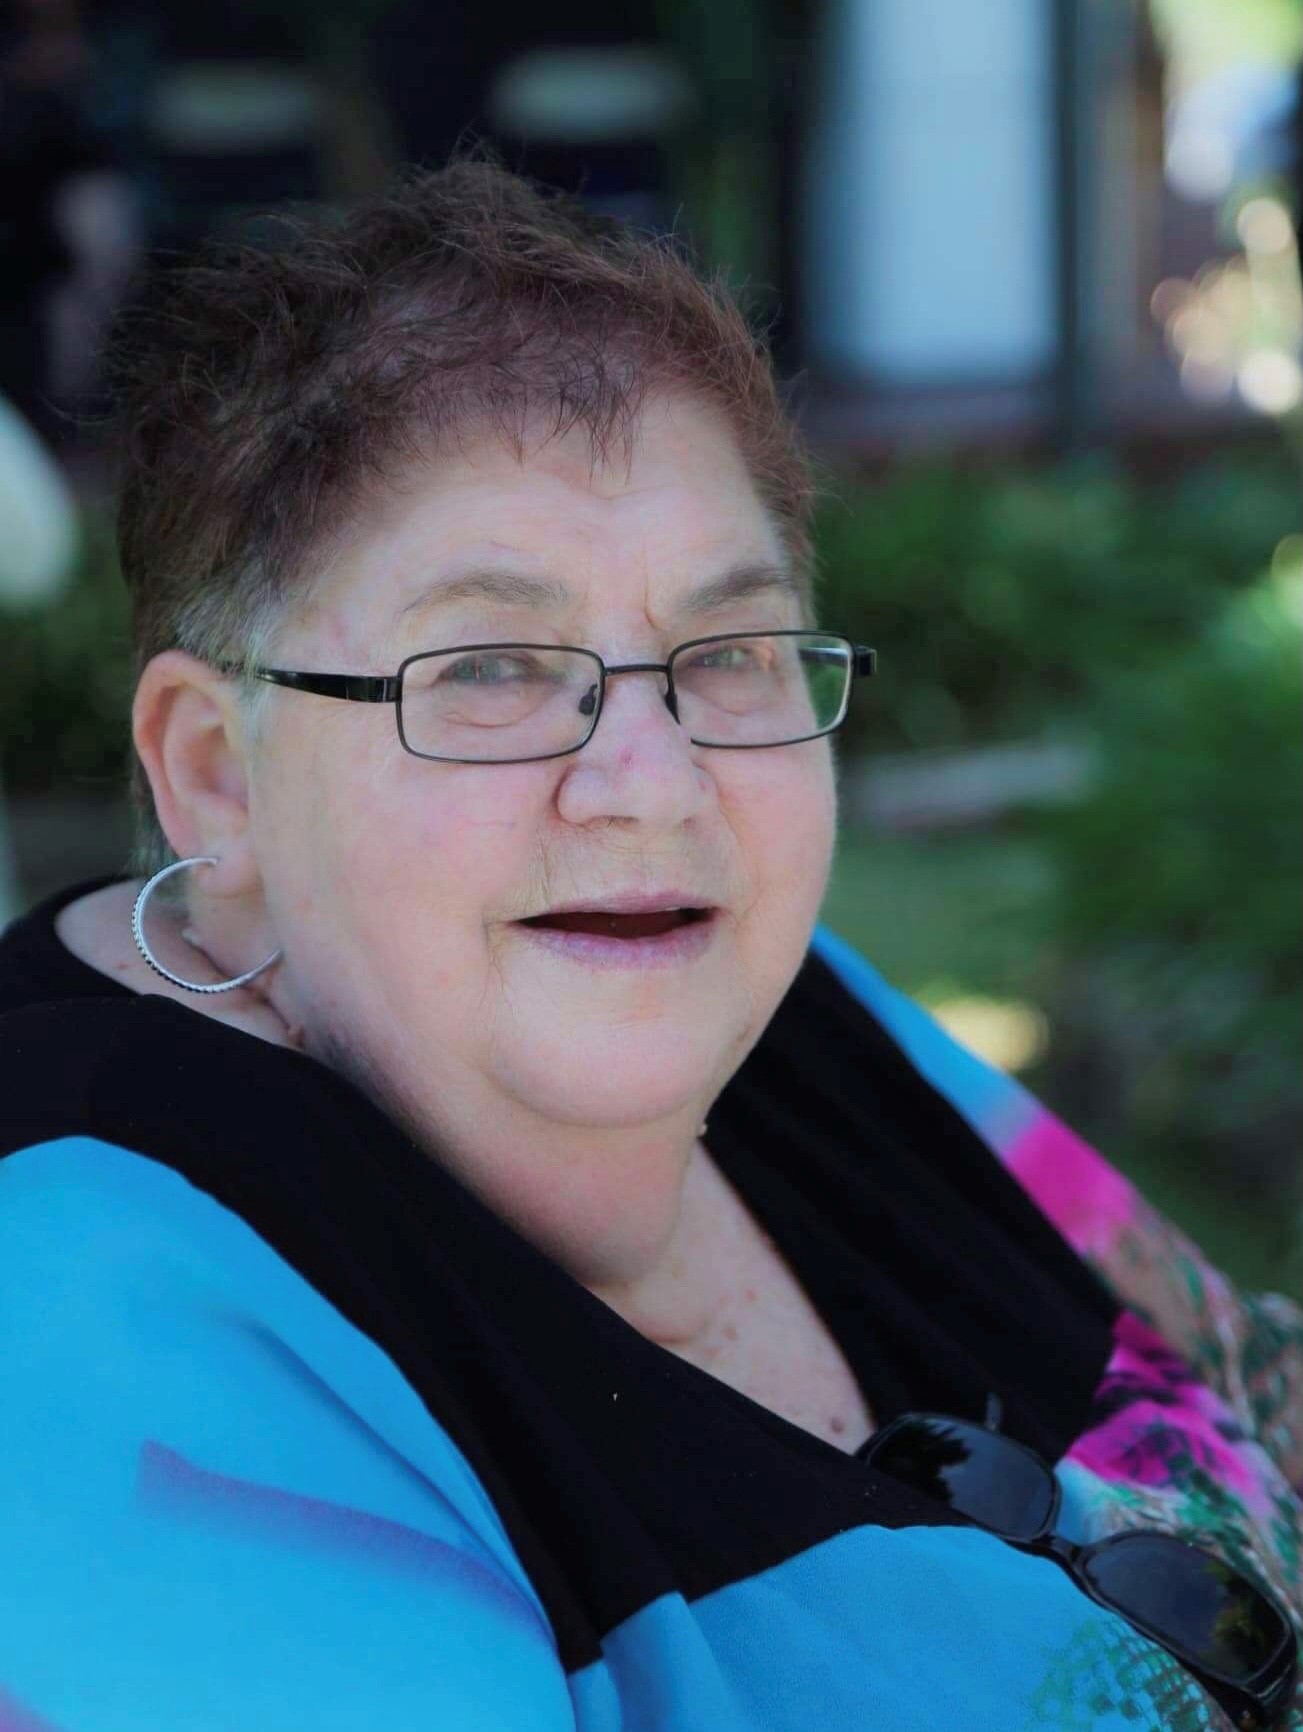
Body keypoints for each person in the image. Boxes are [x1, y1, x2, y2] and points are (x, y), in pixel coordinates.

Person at [0, 159, 1299, 1732]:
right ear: (218, 775)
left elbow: (1249, 1389)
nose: (654, 782)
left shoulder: (768, 1005)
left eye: (728, 651)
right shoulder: (76, 1302)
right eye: (490, 667)